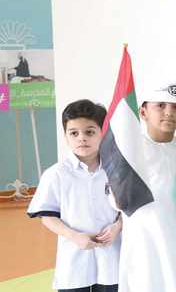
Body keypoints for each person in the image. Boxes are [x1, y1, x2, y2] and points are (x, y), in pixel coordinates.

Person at [28, 99, 122, 292]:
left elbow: (128, 209)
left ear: (103, 133)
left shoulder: (117, 170)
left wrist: (117, 227)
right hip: (74, 261)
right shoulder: (56, 174)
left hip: (112, 258)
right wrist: (75, 237)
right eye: (74, 133)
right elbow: (47, 216)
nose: (82, 138)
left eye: (89, 132)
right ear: (66, 137)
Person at [114, 80, 176, 292]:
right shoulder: (130, 150)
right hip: (143, 239)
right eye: (160, 105)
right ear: (143, 112)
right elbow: (115, 196)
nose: (169, 112)